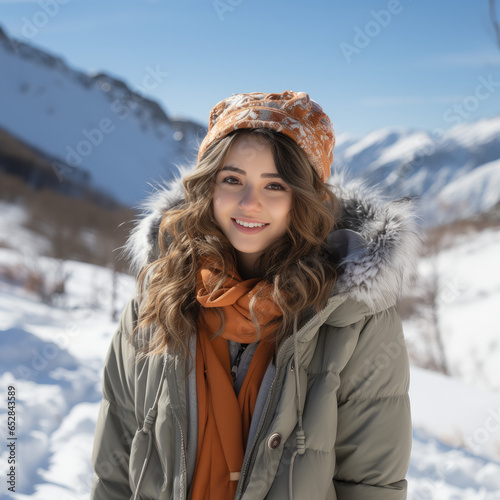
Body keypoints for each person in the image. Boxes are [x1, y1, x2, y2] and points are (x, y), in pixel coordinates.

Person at [90, 90, 419, 500]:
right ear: (207, 187)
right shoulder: (154, 306)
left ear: (305, 198)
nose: (249, 204)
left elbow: (371, 486)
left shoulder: (353, 320)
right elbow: (114, 471)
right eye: (232, 180)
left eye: (275, 185)